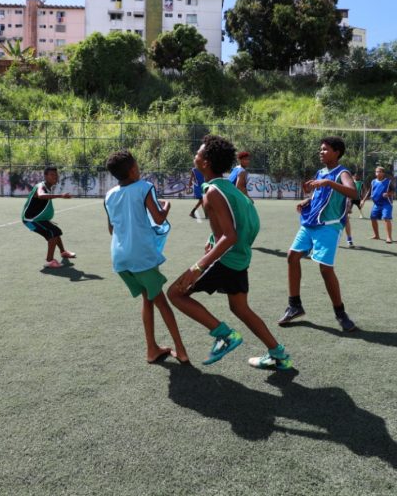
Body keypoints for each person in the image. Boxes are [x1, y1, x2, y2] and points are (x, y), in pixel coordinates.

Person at [168, 135, 292, 371]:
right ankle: (279, 355)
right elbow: (248, 222)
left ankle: (224, 335)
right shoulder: (230, 189)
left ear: (206, 162)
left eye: (199, 152)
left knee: (175, 293)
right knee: (240, 308)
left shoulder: (213, 191)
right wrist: (214, 239)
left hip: (227, 258)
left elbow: (230, 236)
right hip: (239, 258)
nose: (195, 155)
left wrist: (198, 267)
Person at [105, 150, 190, 365]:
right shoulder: (144, 188)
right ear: (133, 169)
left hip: (120, 258)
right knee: (162, 302)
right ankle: (180, 350)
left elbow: (110, 229)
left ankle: (152, 349)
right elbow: (159, 218)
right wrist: (167, 206)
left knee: (147, 298)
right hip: (140, 257)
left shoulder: (109, 195)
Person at [278, 136, 358, 332]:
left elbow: (353, 192)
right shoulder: (321, 172)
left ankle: (341, 313)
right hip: (310, 223)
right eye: (320, 149)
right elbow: (317, 193)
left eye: (325, 149)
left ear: (336, 152)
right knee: (292, 256)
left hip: (329, 226)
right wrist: (307, 200)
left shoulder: (342, 172)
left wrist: (328, 183)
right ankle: (294, 305)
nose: (321, 152)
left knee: (325, 268)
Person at [21, 166, 75, 268]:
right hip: (30, 221)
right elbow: (41, 195)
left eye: (56, 175)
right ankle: (50, 260)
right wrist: (61, 196)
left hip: (39, 219)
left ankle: (63, 252)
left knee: (56, 231)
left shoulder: (48, 186)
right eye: (51, 175)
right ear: (45, 176)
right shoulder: (40, 186)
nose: (55, 177)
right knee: (53, 234)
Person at [365, 166, 395, 243]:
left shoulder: (388, 181)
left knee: (386, 218)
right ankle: (376, 235)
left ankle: (389, 237)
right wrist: (363, 200)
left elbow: (393, 191)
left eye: (379, 171)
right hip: (376, 204)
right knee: (373, 218)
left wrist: (388, 194)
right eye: (376, 171)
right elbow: (369, 191)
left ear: (383, 173)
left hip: (386, 203)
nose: (377, 173)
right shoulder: (373, 181)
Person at [343, 171, 365, 248]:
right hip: (335, 206)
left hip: (353, 199)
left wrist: (348, 206)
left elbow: (349, 196)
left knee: (346, 220)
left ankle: (349, 240)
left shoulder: (356, 183)